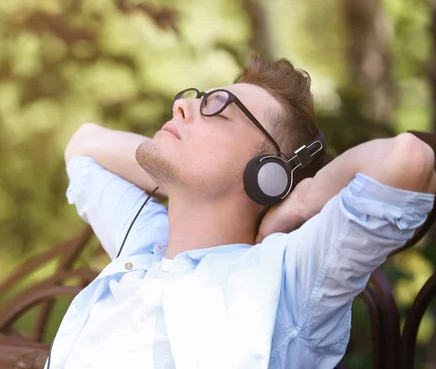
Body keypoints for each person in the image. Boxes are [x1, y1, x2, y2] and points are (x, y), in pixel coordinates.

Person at [49, 56, 436, 369]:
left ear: (269, 175)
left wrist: (302, 199)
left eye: (219, 107)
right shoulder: (144, 242)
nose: (181, 106)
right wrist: (174, 175)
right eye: (196, 98)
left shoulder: (283, 278)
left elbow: (407, 159)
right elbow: (83, 146)